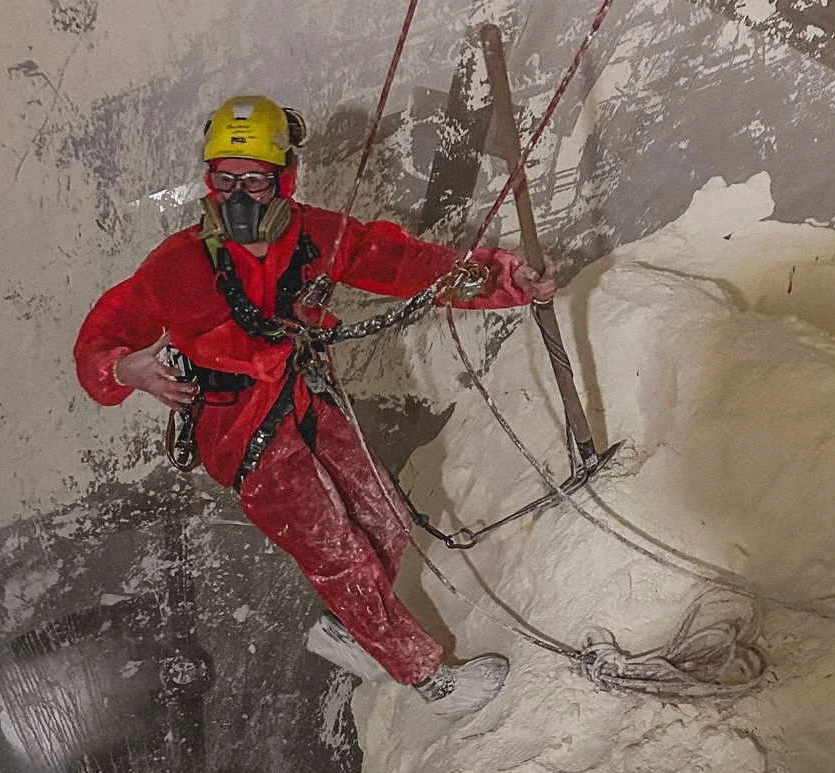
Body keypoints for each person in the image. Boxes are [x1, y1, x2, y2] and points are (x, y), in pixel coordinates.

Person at [74, 95, 555, 715]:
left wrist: (506, 280)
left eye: (255, 181)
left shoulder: (311, 236)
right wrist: (125, 369)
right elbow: (101, 337)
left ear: (285, 179)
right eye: (225, 180)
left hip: (302, 399)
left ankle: (351, 631)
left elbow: (402, 263)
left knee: (385, 517)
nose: (238, 198)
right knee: (339, 554)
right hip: (242, 433)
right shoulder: (179, 264)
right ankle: (429, 681)